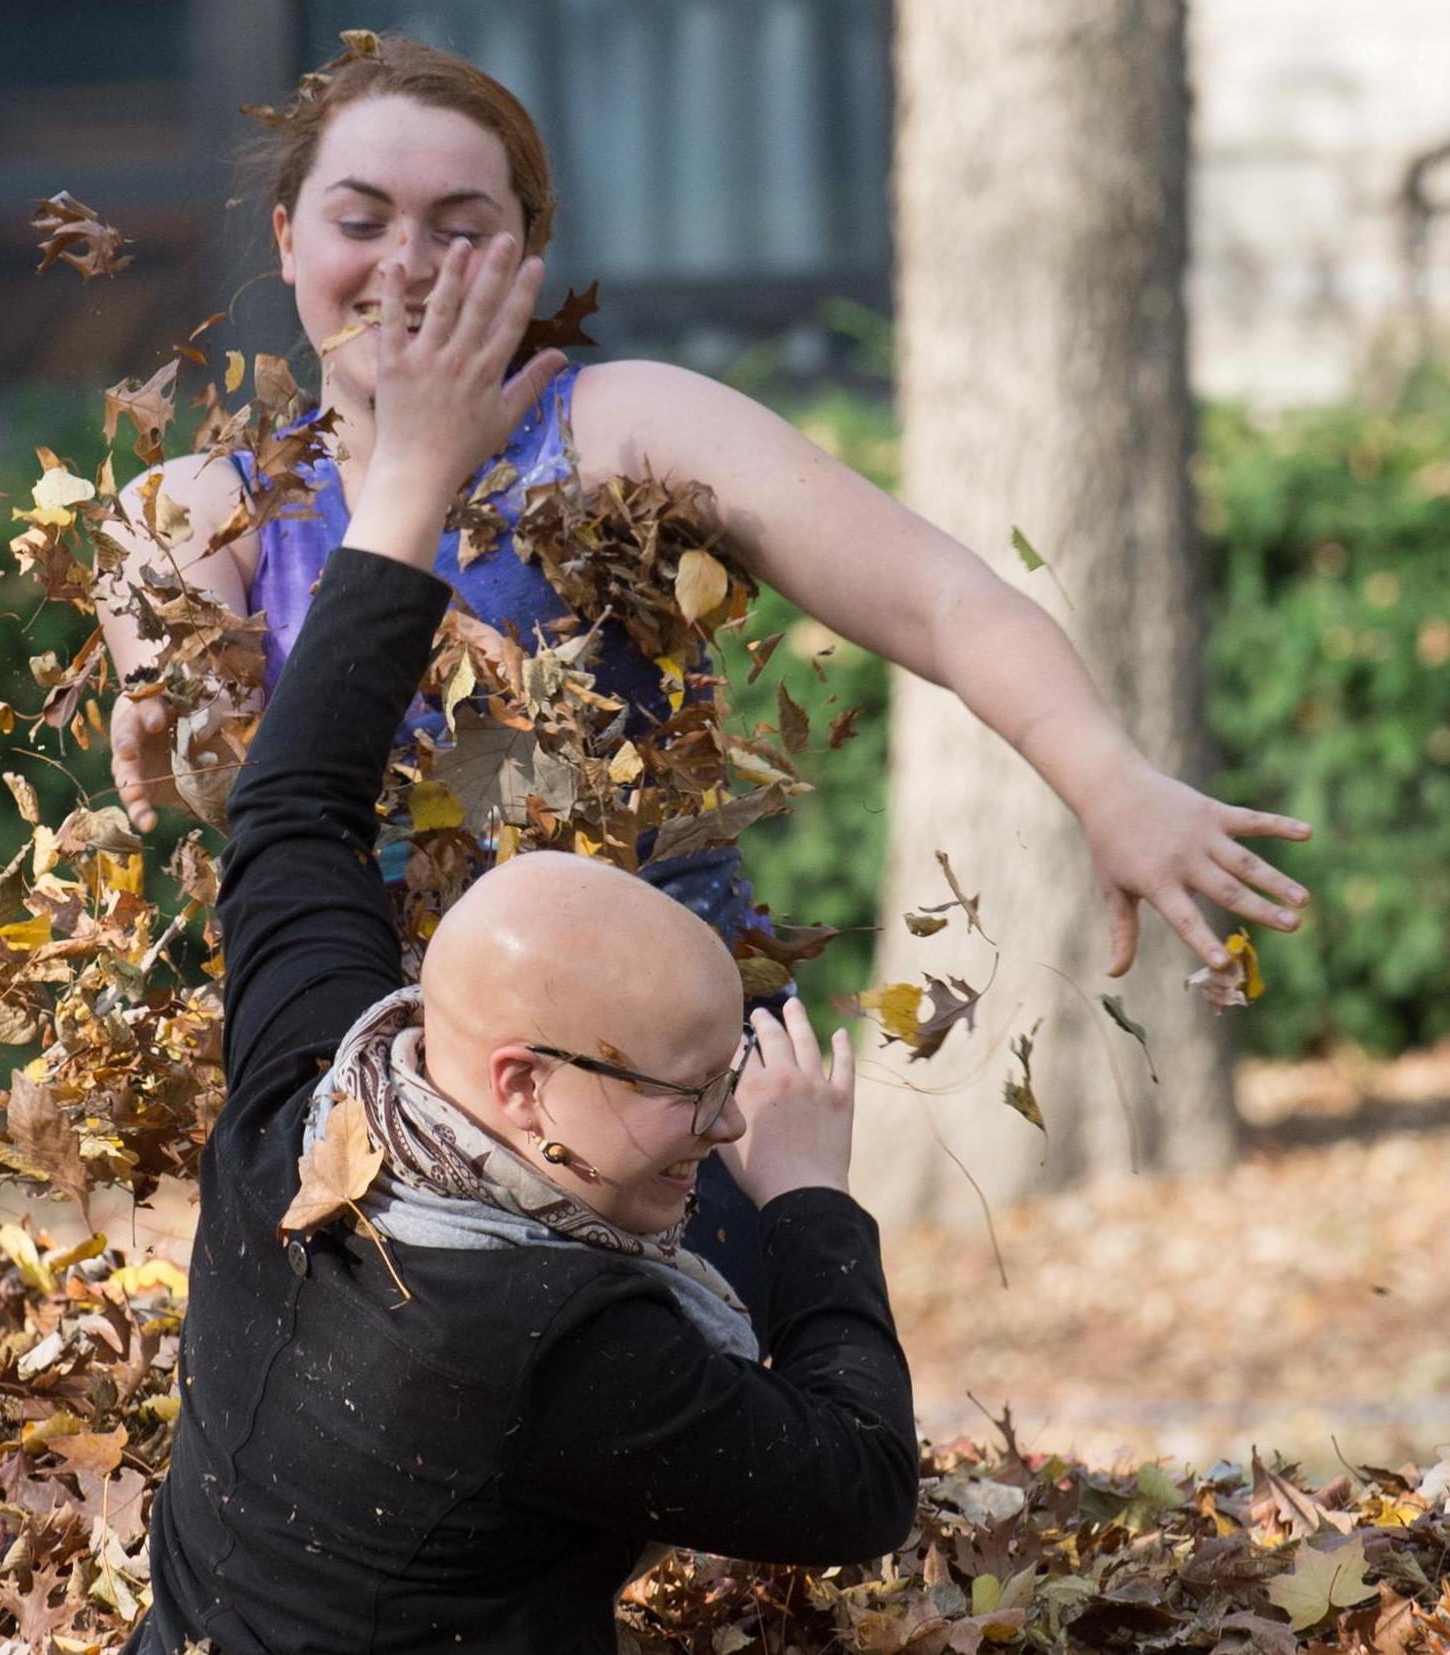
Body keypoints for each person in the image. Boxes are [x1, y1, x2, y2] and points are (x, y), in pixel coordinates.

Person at [95, 36, 1312, 1295]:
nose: (405, 265)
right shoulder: (189, 507)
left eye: (460, 227)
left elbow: (946, 598)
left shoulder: (618, 431)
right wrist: (172, 714)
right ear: (289, 238)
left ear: (526, 256)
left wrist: (1105, 778)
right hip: (371, 1113)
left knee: (712, 1455)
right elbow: (209, 738)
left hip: (653, 1104)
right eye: (362, 220)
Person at [124, 233, 917, 1655]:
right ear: (516, 1083)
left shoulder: (304, 1094)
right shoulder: (555, 1336)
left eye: (721, 1069)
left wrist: (412, 480)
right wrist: (804, 1204)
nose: (726, 1116)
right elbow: (853, 1483)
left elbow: (296, 803)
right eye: (687, 1089)